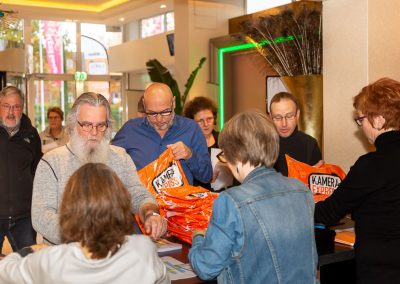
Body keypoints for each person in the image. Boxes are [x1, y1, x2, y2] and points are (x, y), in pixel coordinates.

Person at [189, 111, 317, 283]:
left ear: (237, 155)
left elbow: (206, 267)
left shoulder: (231, 200)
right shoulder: (302, 190)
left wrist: (197, 237)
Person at [32, 92, 167, 245]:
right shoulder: (51, 162)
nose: (94, 133)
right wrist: (86, 235)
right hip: (66, 258)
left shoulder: (120, 157)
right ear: (72, 124)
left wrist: (151, 214)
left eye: (100, 125)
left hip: (113, 255)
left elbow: (138, 194)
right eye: (87, 125)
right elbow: (42, 216)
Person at [0, 163, 170, 284]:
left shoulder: (51, 261)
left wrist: (30, 250)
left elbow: (4, 271)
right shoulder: (143, 249)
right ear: (122, 204)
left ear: (70, 209)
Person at [315, 78, 400, 284]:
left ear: (378, 120)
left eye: (361, 119)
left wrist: (300, 197)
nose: (361, 126)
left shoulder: (371, 165)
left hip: (381, 271)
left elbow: (326, 213)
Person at [112, 82, 212, 185]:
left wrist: (190, 155)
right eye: (152, 113)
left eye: (165, 112)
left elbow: (207, 176)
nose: (159, 119)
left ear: (173, 103)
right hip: (140, 200)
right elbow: (109, 167)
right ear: (144, 104)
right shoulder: (130, 130)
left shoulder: (191, 129)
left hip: (179, 200)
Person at [0, 86, 42, 253]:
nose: (11, 112)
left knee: (29, 268)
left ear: (22, 108)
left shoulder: (31, 135)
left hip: (24, 217)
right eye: (6, 106)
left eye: (16, 106)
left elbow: (37, 171)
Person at [270, 92, 322, 176]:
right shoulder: (262, 146)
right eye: (278, 117)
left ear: (297, 115)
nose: (284, 124)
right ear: (271, 117)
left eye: (289, 116)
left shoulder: (310, 145)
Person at [183, 96, 220, 189]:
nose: (206, 124)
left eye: (209, 119)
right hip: (197, 195)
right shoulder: (186, 146)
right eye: (200, 121)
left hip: (222, 193)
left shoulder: (224, 140)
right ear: (191, 123)